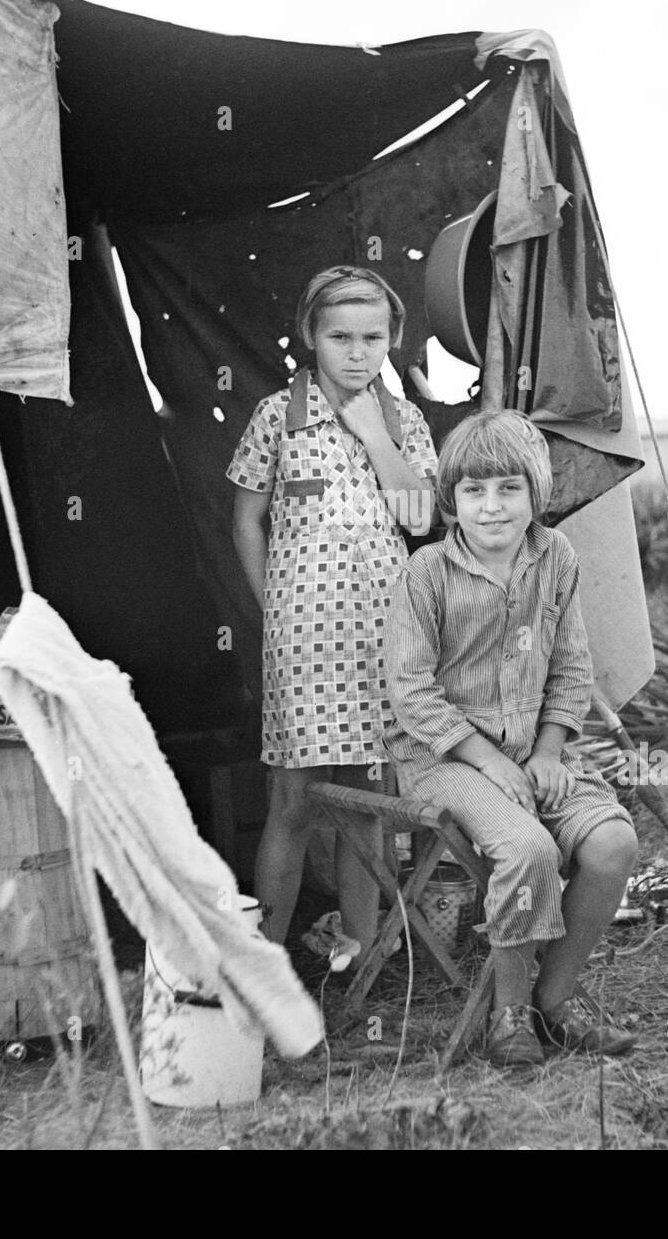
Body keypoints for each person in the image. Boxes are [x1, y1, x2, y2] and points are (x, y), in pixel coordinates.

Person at [384, 409, 639, 1067]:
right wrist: (490, 761)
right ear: (451, 500)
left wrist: (551, 750)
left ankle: (553, 1002)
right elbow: (411, 691)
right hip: (444, 758)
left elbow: (571, 666)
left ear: (536, 493)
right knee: (525, 847)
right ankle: (509, 1016)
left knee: (613, 842)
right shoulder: (426, 574)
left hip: (531, 750)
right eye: (474, 491)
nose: (492, 507)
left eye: (508, 489)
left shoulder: (555, 559)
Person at [227, 266, 437, 959]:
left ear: (391, 339)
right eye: (339, 336)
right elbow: (246, 519)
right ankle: (267, 966)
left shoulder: (404, 421)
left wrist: (374, 433)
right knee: (292, 799)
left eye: (372, 338)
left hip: (383, 636)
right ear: (310, 336)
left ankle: (359, 957)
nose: (356, 352)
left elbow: (420, 518)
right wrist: (272, 610)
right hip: (304, 643)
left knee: (366, 802)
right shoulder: (276, 418)